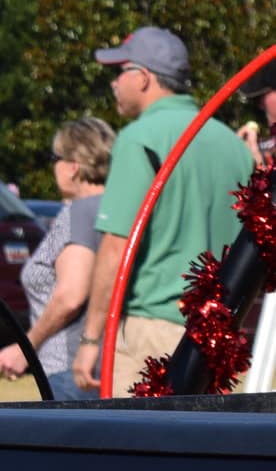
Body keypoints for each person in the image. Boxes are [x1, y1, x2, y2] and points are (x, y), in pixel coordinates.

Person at [75, 27, 254, 396]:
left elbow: (115, 246)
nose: (113, 83)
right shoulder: (232, 145)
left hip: (149, 332)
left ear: (144, 78)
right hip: (216, 339)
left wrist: (91, 339)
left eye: (119, 71)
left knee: (132, 449)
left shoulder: (140, 138)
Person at [0, 117, 110, 398]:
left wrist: (25, 349)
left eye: (55, 157)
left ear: (73, 166)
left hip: (71, 367)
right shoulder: (119, 209)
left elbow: (70, 296)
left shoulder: (79, 212)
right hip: (111, 360)